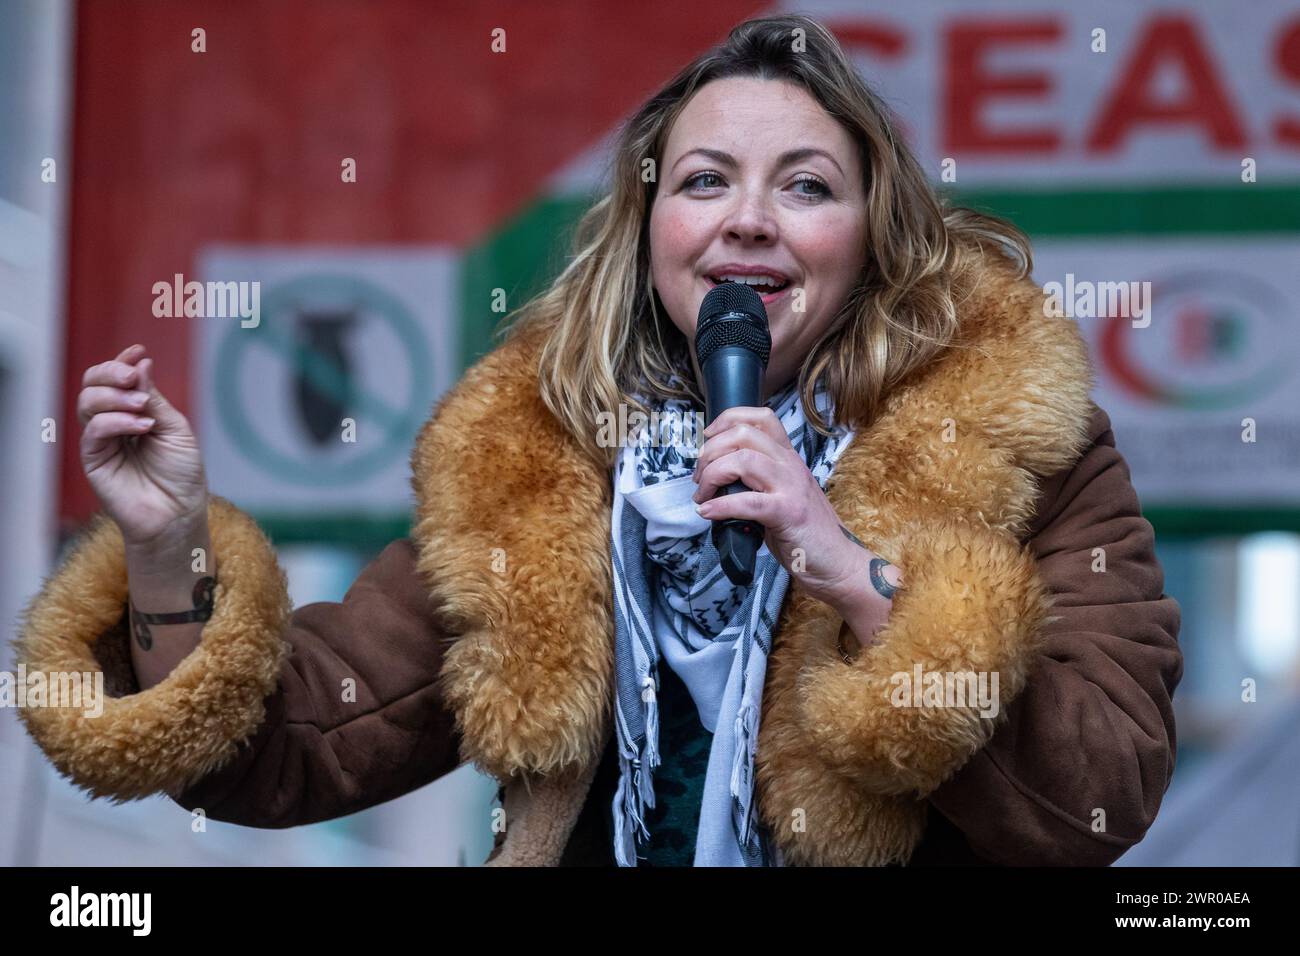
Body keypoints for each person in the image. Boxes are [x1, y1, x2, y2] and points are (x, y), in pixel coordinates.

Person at [14, 14, 1183, 867]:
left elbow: (1100, 795)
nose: (748, 220)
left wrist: (857, 577)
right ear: (652, 226)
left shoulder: (1024, 447)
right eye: (706, 180)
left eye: (808, 187)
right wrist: (166, 555)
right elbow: (285, 750)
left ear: (871, 238)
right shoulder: (540, 459)